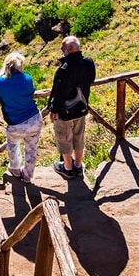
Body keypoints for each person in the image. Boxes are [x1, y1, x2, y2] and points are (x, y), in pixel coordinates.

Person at [47, 36, 97, 179]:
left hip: (65, 112)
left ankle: (68, 168)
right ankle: (78, 166)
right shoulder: (88, 62)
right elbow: (91, 79)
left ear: (68, 50)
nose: (61, 51)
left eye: (62, 48)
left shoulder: (65, 69)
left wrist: (53, 110)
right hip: (81, 108)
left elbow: (58, 93)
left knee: (64, 139)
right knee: (79, 137)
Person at [0, 52, 42, 183]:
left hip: (15, 122)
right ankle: (28, 175)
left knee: (12, 145)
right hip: (34, 119)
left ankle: (15, 169)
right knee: (32, 148)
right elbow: (31, 91)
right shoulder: (27, 78)